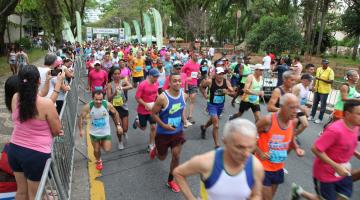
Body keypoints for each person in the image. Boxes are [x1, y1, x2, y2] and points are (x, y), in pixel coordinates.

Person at [7, 65, 62, 200]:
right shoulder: (46, 104)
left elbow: (33, 100)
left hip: (14, 150)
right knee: (36, 195)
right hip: (35, 155)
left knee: (21, 192)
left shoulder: (15, 97)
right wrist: (57, 86)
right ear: (38, 81)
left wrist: (49, 83)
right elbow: (56, 130)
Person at [173, 119, 264, 200]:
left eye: (250, 147)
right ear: (225, 142)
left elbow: (256, 195)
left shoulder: (256, 167)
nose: (246, 154)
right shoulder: (207, 162)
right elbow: (178, 173)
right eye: (239, 147)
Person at [291, 100, 360, 200]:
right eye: (358, 114)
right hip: (325, 174)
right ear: (348, 114)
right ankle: (299, 191)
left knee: (342, 197)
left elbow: (344, 143)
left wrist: (355, 153)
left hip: (343, 172)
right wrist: (336, 166)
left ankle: (298, 191)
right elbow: (315, 148)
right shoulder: (335, 130)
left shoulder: (355, 127)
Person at [256, 93, 305, 200]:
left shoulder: (293, 122)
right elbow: (250, 135)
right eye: (292, 107)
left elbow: (291, 137)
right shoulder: (268, 120)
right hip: (263, 167)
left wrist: (296, 148)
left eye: (297, 107)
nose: (295, 111)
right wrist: (259, 152)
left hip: (278, 168)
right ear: (282, 107)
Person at [150, 73, 187, 193]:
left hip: (177, 132)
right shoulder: (162, 98)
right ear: (169, 83)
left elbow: (182, 109)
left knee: (176, 155)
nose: (177, 83)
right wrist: (164, 125)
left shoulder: (184, 95)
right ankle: (155, 150)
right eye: (174, 81)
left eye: (179, 81)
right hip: (163, 133)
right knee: (161, 158)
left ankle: (171, 180)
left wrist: (185, 119)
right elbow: (153, 114)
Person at [78, 91, 123, 170]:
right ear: (93, 98)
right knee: (96, 150)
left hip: (105, 132)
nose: (99, 101)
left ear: (103, 99)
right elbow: (81, 117)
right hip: (94, 133)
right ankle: (99, 160)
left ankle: (101, 143)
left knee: (107, 149)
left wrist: (118, 125)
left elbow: (115, 113)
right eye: (96, 99)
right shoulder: (88, 106)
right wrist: (81, 129)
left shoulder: (107, 105)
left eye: (100, 99)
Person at [200, 67, 234, 148]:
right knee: (216, 125)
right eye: (219, 74)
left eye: (222, 74)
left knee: (213, 120)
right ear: (215, 74)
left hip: (220, 106)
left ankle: (204, 127)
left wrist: (228, 92)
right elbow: (201, 86)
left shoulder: (226, 82)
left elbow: (233, 94)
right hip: (211, 105)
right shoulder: (210, 81)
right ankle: (216, 144)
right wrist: (204, 94)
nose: (220, 76)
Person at [133, 68, 159, 153]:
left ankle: (151, 145)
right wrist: (145, 104)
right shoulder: (142, 85)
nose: (156, 78)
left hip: (152, 110)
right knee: (143, 128)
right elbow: (137, 97)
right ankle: (137, 122)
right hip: (142, 110)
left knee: (153, 127)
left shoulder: (156, 83)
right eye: (155, 77)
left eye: (157, 77)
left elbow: (156, 93)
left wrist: (158, 100)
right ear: (150, 76)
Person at [107, 67, 133, 150]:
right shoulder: (110, 85)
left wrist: (122, 88)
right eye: (115, 74)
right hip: (114, 109)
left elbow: (131, 86)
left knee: (125, 128)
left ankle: (124, 132)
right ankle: (120, 141)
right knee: (119, 128)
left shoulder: (123, 82)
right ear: (112, 75)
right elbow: (109, 99)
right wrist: (114, 93)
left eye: (118, 73)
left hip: (123, 107)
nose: (117, 75)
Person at [308, 59, 334, 124]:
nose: (326, 64)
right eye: (325, 63)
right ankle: (311, 116)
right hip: (317, 89)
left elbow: (331, 81)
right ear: (322, 63)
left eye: (327, 63)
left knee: (322, 106)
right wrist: (313, 86)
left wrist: (320, 79)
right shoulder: (319, 69)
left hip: (324, 91)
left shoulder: (330, 71)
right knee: (314, 104)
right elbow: (316, 79)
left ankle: (320, 118)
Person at [181, 52, 200, 124]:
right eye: (195, 55)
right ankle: (184, 117)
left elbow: (197, 73)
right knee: (184, 100)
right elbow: (182, 72)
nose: (197, 56)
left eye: (198, 55)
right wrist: (186, 78)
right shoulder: (188, 63)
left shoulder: (198, 64)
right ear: (192, 55)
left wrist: (198, 75)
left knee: (192, 99)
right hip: (186, 83)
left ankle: (190, 116)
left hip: (194, 83)